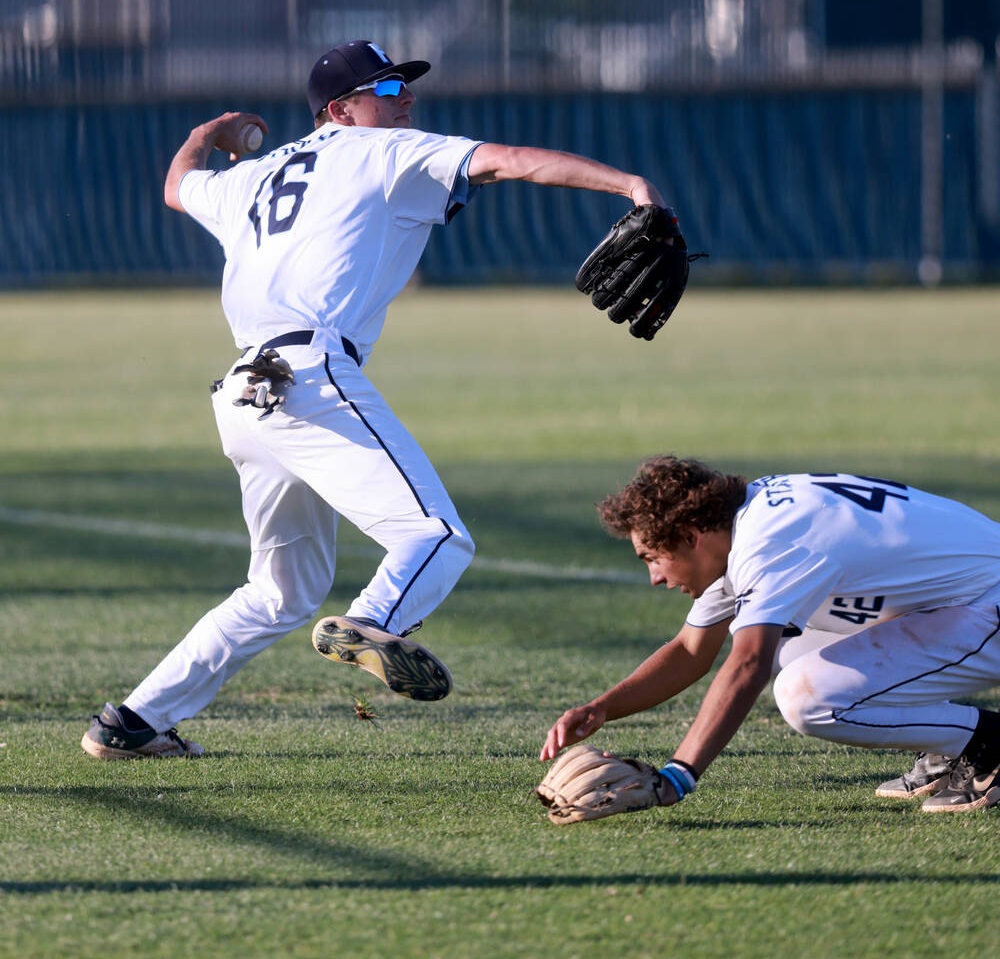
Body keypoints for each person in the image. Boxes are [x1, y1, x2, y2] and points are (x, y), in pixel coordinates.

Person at [82, 39, 674, 759]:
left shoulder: (256, 176)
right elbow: (512, 160)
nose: (405, 101)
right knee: (436, 535)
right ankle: (370, 619)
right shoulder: (384, 151)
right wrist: (630, 184)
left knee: (279, 593)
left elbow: (179, 186)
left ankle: (133, 721)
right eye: (387, 89)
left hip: (245, 393)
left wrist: (204, 135)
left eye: (403, 88)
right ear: (342, 110)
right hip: (308, 376)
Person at [541, 456, 1000, 813]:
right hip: (968, 601)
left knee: (803, 697)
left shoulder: (768, 544)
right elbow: (691, 652)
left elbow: (745, 666)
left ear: (691, 536)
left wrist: (680, 775)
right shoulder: (746, 528)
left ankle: (988, 741)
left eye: (652, 557)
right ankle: (949, 742)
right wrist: (604, 708)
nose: (654, 576)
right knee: (791, 649)